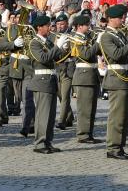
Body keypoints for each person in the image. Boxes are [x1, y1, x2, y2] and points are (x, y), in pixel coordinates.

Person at [99, 4, 128, 160]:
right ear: (111, 19)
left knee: (124, 116)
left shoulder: (120, 34)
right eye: (121, 17)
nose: (124, 19)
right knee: (117, 116)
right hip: (116, 77)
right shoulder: (106, 36)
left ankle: (120, 146)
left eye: (124, 16)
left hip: (125, 76)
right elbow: (116, 54)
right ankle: (113, 148)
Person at [28, 14, 69, 154]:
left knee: (51, 116)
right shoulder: (34, 43)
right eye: (47, 26)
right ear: (39, 28)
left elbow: (58, 57)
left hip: (51, 80)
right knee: (43, 115)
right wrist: (57, 47)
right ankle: (39, 143)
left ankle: (48, 141)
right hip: (41, 81)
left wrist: (64, 48)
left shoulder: (48, 42)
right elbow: (43, 58)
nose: (50, 28)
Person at [67, 14, 101, 144]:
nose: (89, 27)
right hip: (84, 76)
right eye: (87, 25)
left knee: (91, 108)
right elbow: (86, 55)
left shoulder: (86, 37)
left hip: (91, 74)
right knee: (84, 109)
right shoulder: (76, 39)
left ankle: (88, 133)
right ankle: (83, 134)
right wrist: (97, 43)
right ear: (80, 26)